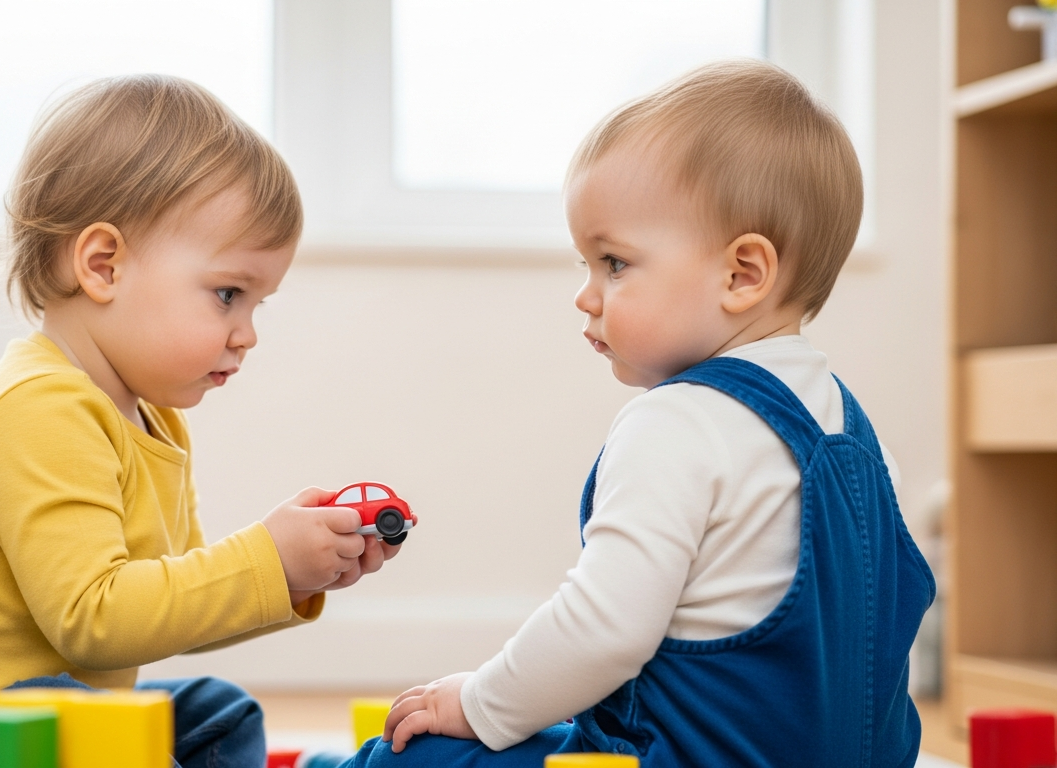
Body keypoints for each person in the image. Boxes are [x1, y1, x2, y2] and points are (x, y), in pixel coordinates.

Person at [346, 60, 935, 767]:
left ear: (742, 274)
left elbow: (603, 631)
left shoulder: (679, 424)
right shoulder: (860, 439)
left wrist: (478, 702)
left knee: (414, 755)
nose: (587, 295)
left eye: (615, 264)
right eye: (585, 265)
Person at [0, 75, 401, 768]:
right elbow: (96, 621)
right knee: (110, 737)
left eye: (257, 304)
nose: (247, 333)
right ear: (103, 265)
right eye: (228, 294)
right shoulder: (36, 405)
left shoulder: (151, 418)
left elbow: (164, 607)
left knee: (215, 712)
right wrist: (265, 555)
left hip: (35, 704)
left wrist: (292, 577)